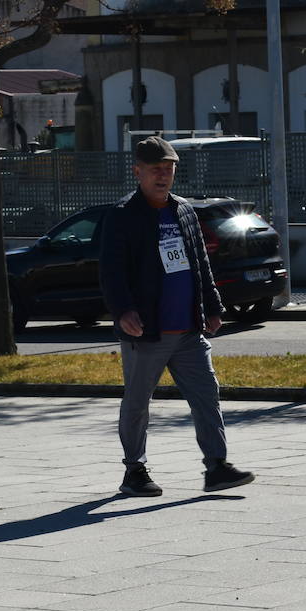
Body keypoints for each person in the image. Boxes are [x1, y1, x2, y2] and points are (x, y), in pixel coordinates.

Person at [99, 135, 254, 497]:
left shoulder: (183, 210)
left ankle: (216, 467)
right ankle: (134, 471)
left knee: (207, 396)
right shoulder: (123, 215)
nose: (163, 175)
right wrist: (122, 311)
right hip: (147, 331)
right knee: (137, 403)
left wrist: (212, 306)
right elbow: (111, 271)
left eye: (168, 169)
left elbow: (199, 262)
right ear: (137, 172)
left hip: (188, 330)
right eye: (155, 169)